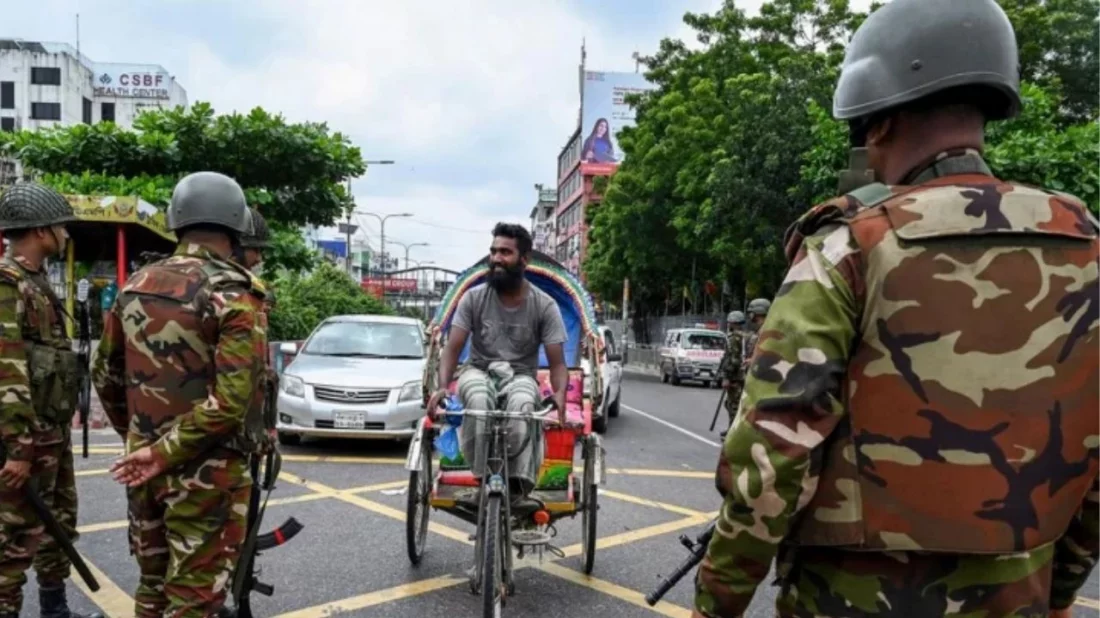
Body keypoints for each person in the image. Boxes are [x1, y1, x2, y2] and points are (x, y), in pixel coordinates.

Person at [692, 1, 1099, 617]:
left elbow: (773, 455)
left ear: (879, 124)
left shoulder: (850, 247)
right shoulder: (1088, 247)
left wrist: (717, 602)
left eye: (862, 134)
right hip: (1019, 596)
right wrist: (1060, 588)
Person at [91, 171, 267, 618]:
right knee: (194, 597)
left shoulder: (136, 283)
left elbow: (104, 372)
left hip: (144, 464)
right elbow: (232, 402)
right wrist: (165, 451)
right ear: (236, 225)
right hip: (206, 474)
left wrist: (142, 441)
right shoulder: (233, 294)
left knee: (152, 585)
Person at [0, 183, 102, 618]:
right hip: (25, 438)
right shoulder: (8, 284)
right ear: (41, 230)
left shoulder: (36, 282)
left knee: (58, 524)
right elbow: (7, 369)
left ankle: (54, 609)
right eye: (60, 226)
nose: (65, 234)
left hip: (50, 432)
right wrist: (18, 448)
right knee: (14, 536)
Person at [426, 223, 568, 500]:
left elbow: (557, 363)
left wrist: (560, 393)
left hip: (521, 376)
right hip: (477, 371)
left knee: (525, 404)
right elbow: (452, 349)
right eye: (493, 251)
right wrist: (442, 387)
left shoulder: (545, 305)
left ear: (524, 259)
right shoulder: (473, 298)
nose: (496, 258)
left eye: (505, 252)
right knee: (478, 401)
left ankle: (517, 486)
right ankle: (481, 479)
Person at [717, 310, 746, 433]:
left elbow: (733, 360)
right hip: (743, 376)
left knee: (733, 405)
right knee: (732, 404)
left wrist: (727, 377)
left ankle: (733, 431)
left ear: (732, 323)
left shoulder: (734, 338)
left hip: (736, 377)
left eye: (729, 322)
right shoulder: (745, 335)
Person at [740, 298, 769, 364]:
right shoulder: (763, 328)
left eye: (751, 312)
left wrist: (752, 360)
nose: (750, 315)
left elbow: (766, 353)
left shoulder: (765, 329)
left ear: (757, 312)